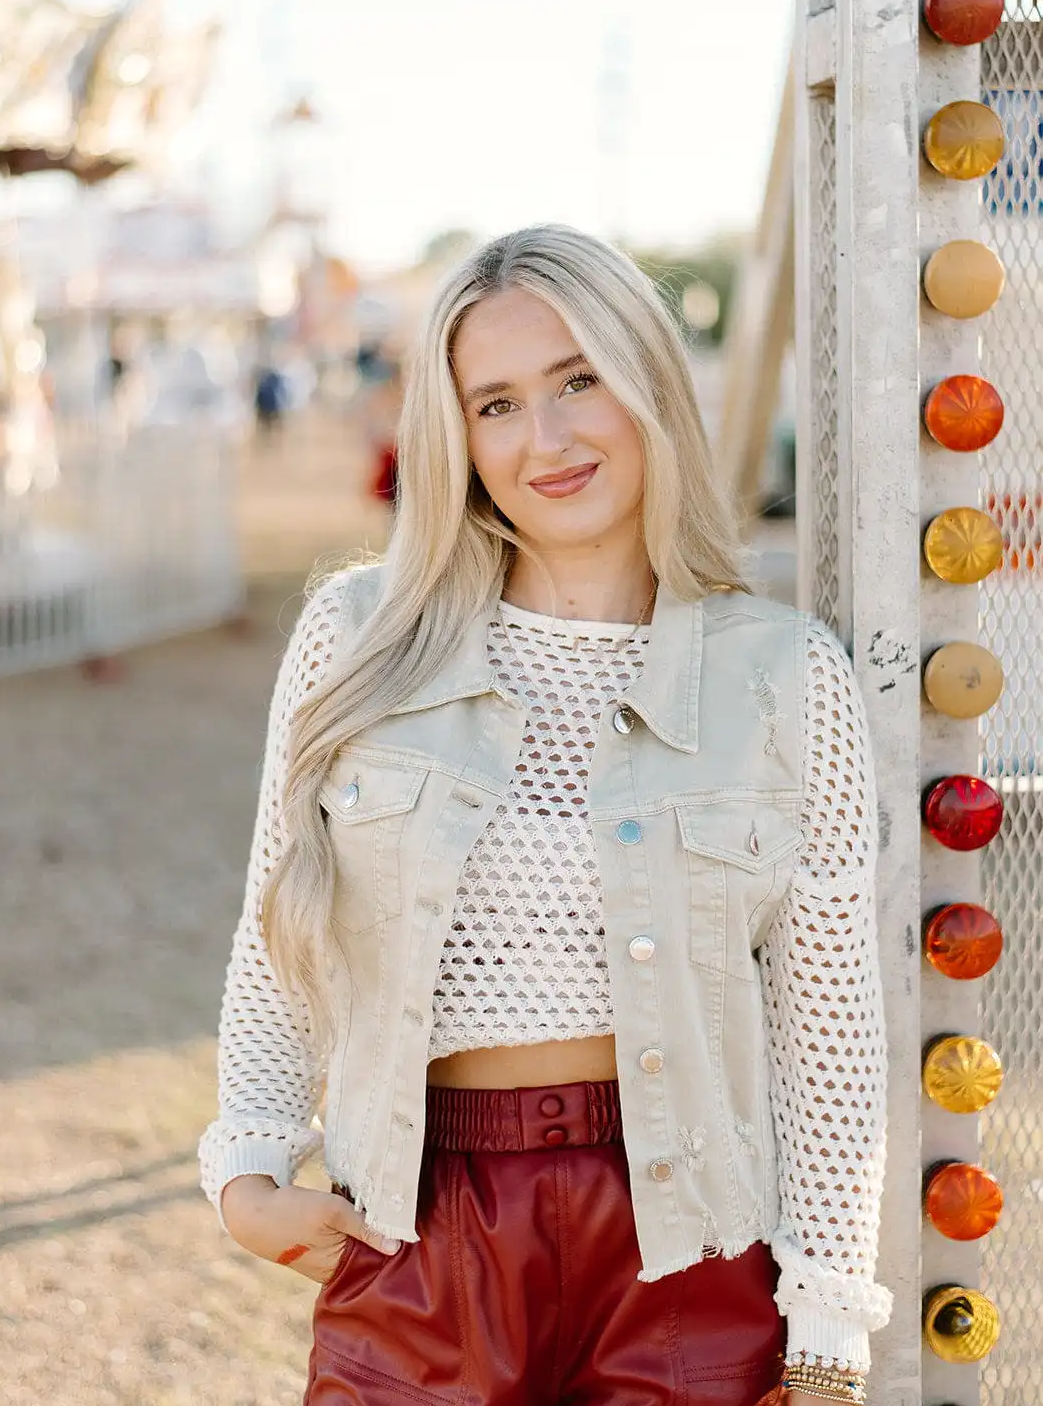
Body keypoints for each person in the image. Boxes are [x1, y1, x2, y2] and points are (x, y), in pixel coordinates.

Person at [199, 224, 892, 1406]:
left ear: (648, 385)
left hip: (687, 1243)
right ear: (457, 437)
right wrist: (247, 1168)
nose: (549, 438)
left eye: (579, 380)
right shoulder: (356, 640)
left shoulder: (785, 674)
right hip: (421, 1224)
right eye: (499, 404)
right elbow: (284, 933)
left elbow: (827, 1022)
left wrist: (825, 1330)